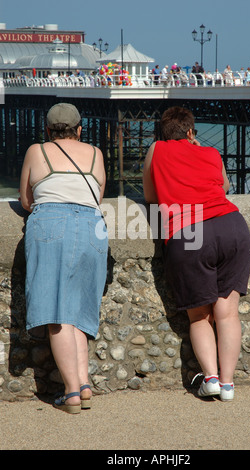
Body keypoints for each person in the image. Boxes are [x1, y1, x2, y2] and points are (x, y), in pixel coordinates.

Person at [143, 106, 250, 402]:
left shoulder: (157, 150)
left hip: (190, 233)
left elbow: (151, 196)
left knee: (199, 317)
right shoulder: (211, 153)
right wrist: (199, 150)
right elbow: (225, 186)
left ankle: (212, 379)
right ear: (191, 132)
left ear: (162, 133)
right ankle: (229, 385)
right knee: (227, 313)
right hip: (233, 227)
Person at [20, 103, 108, 413]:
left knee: (57, 312)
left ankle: (70, 392)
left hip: (52, 222)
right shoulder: (96, 153)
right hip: (92, 225)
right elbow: (96, 198)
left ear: (47, 130)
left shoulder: (37, 151)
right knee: (80, 310)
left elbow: (26, 200)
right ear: (80, 129)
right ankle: (83, 385)